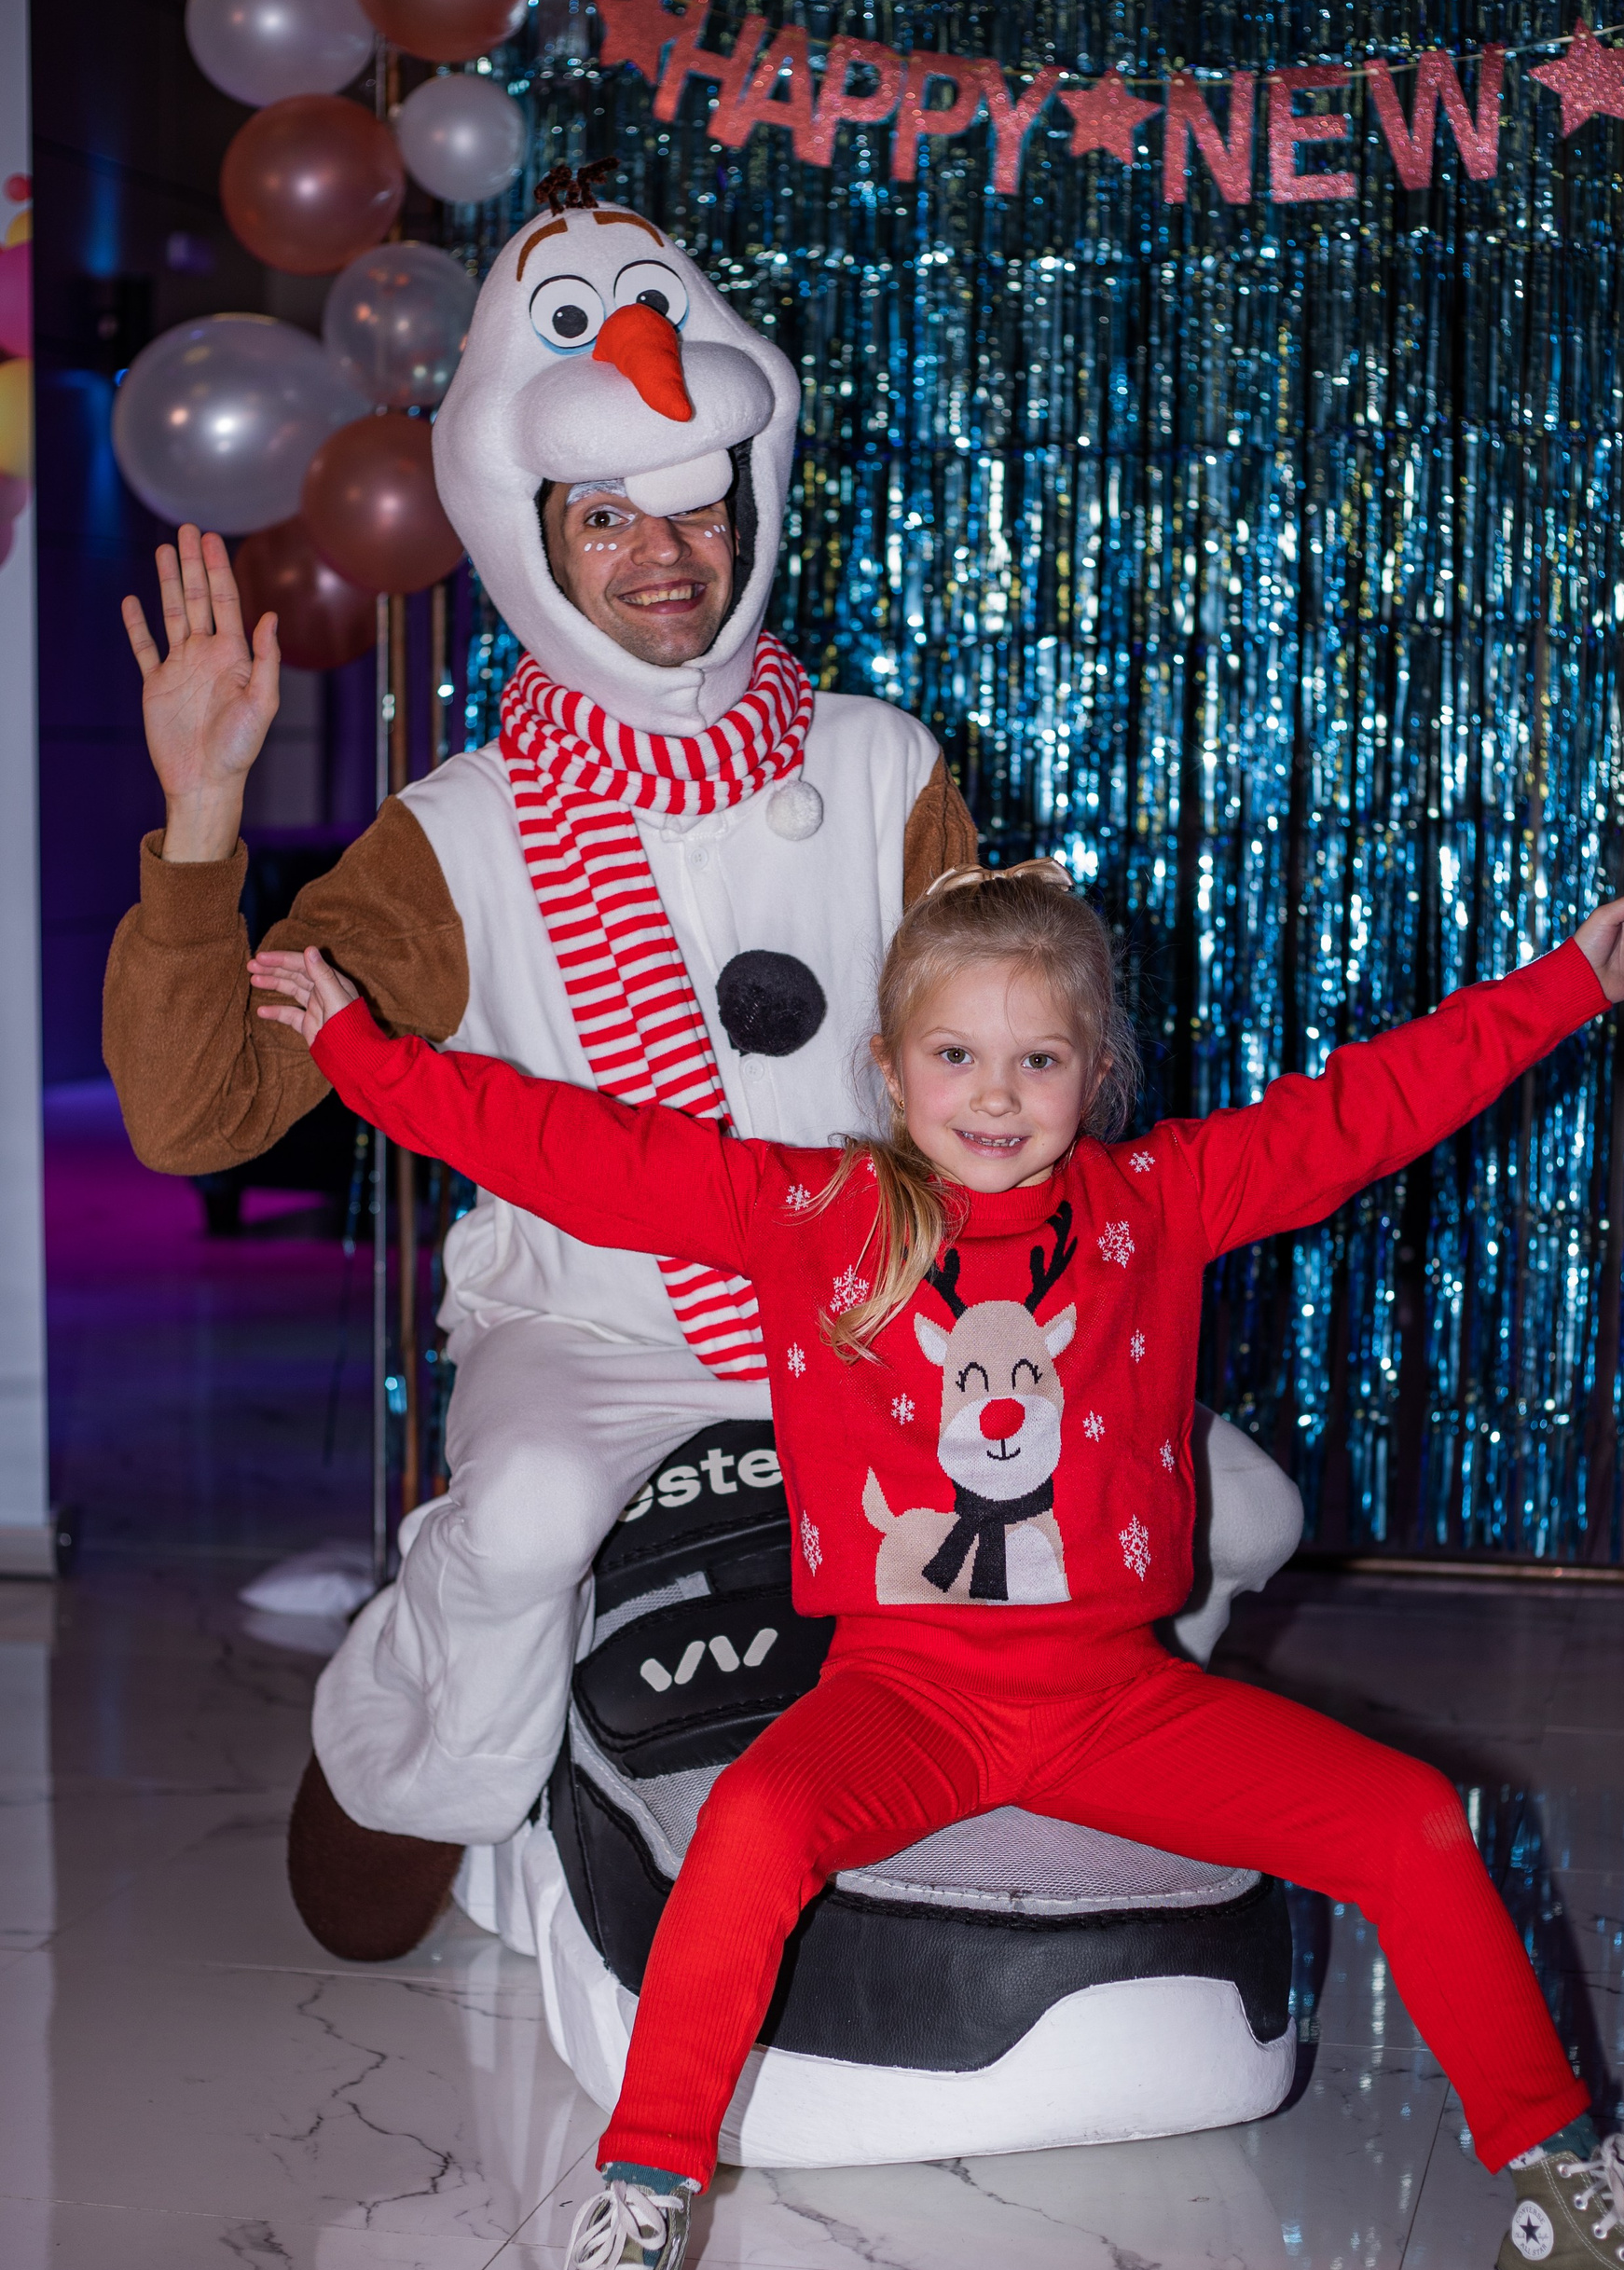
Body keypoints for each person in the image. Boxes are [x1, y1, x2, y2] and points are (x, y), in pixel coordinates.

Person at [251, 846, 1624, 2270]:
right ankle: (639, 2212)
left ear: (1096, 1070)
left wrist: (1571, 984)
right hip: (904, 1697)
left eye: (1039, 1059)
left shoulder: (1158, 1202)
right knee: (756, 1824)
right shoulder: (819, 1212)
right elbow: (572, 1149)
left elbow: (1366, 1109)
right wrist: (359, 1052)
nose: (996, 1095)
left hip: (1118, 1701)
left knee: (1411, 1822)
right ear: (889, 1066)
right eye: (957, 1055)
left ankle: (1560, 2207)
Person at [104, 187, 1306, 1970]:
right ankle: (425, 1744)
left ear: (754, 504)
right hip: (594, 1327)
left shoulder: (883, 763)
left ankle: (1070, 1746)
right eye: (606, 515)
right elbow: (195, 1116)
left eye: (695, 505)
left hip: (883, 1298)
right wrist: (203, 821)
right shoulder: (455, 836)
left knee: (1251, 1510)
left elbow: (998, 1077)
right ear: (529, 535)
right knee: (526, 1524)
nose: (664, 555)